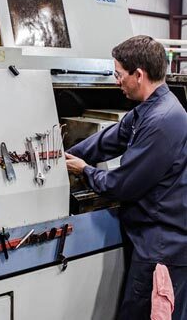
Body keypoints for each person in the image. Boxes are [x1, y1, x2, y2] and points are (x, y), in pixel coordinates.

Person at [65, 35, 187, 320]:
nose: (116, 81)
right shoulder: (149, 108)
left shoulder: (163, 120)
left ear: (139, 75)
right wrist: (62, 156)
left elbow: (122, 185)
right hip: (148, 238)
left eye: (119, 74)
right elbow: (111, 139)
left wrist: (84, 170)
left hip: (161, 248)